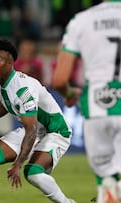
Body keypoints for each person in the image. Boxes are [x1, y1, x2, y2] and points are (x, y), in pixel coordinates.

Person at [0, 38, 75, 203]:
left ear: (10, 63)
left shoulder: (24, 90)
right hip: (34, 131)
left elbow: (30, 131)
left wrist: (18, 163)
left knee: (33, 173)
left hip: (55, 132)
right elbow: (5, 104)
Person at [52, 1, 121, 202]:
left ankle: (108, 188)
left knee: (106, 176)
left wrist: (69, 93)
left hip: (97, 106)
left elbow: (59, 80)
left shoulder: (81, 21)